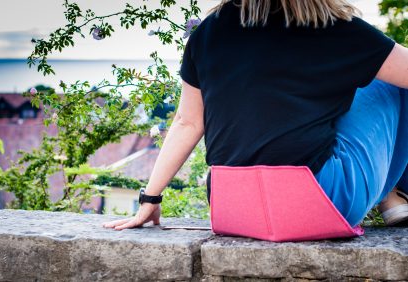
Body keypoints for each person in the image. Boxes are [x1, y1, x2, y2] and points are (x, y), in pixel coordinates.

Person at [102, 0, 408, 230]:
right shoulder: (337, 27)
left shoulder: (208, 32)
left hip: (233, 209)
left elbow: (187, 122)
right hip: (318, 205)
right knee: (387, 80)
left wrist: (150, 199)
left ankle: (392, 195)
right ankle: (394, 196)